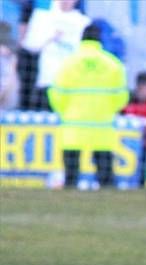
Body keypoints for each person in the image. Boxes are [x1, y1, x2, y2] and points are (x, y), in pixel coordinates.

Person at [47, 23, 128, 189]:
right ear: (100, 40)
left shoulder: (68, 63)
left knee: (70, 178)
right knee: (106, 179)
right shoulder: (113, 64)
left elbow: (55, 94)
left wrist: (66, 111)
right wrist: (107, 109)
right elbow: (121, 96)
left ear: (81, 39)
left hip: (73, 126)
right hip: (102, 127)